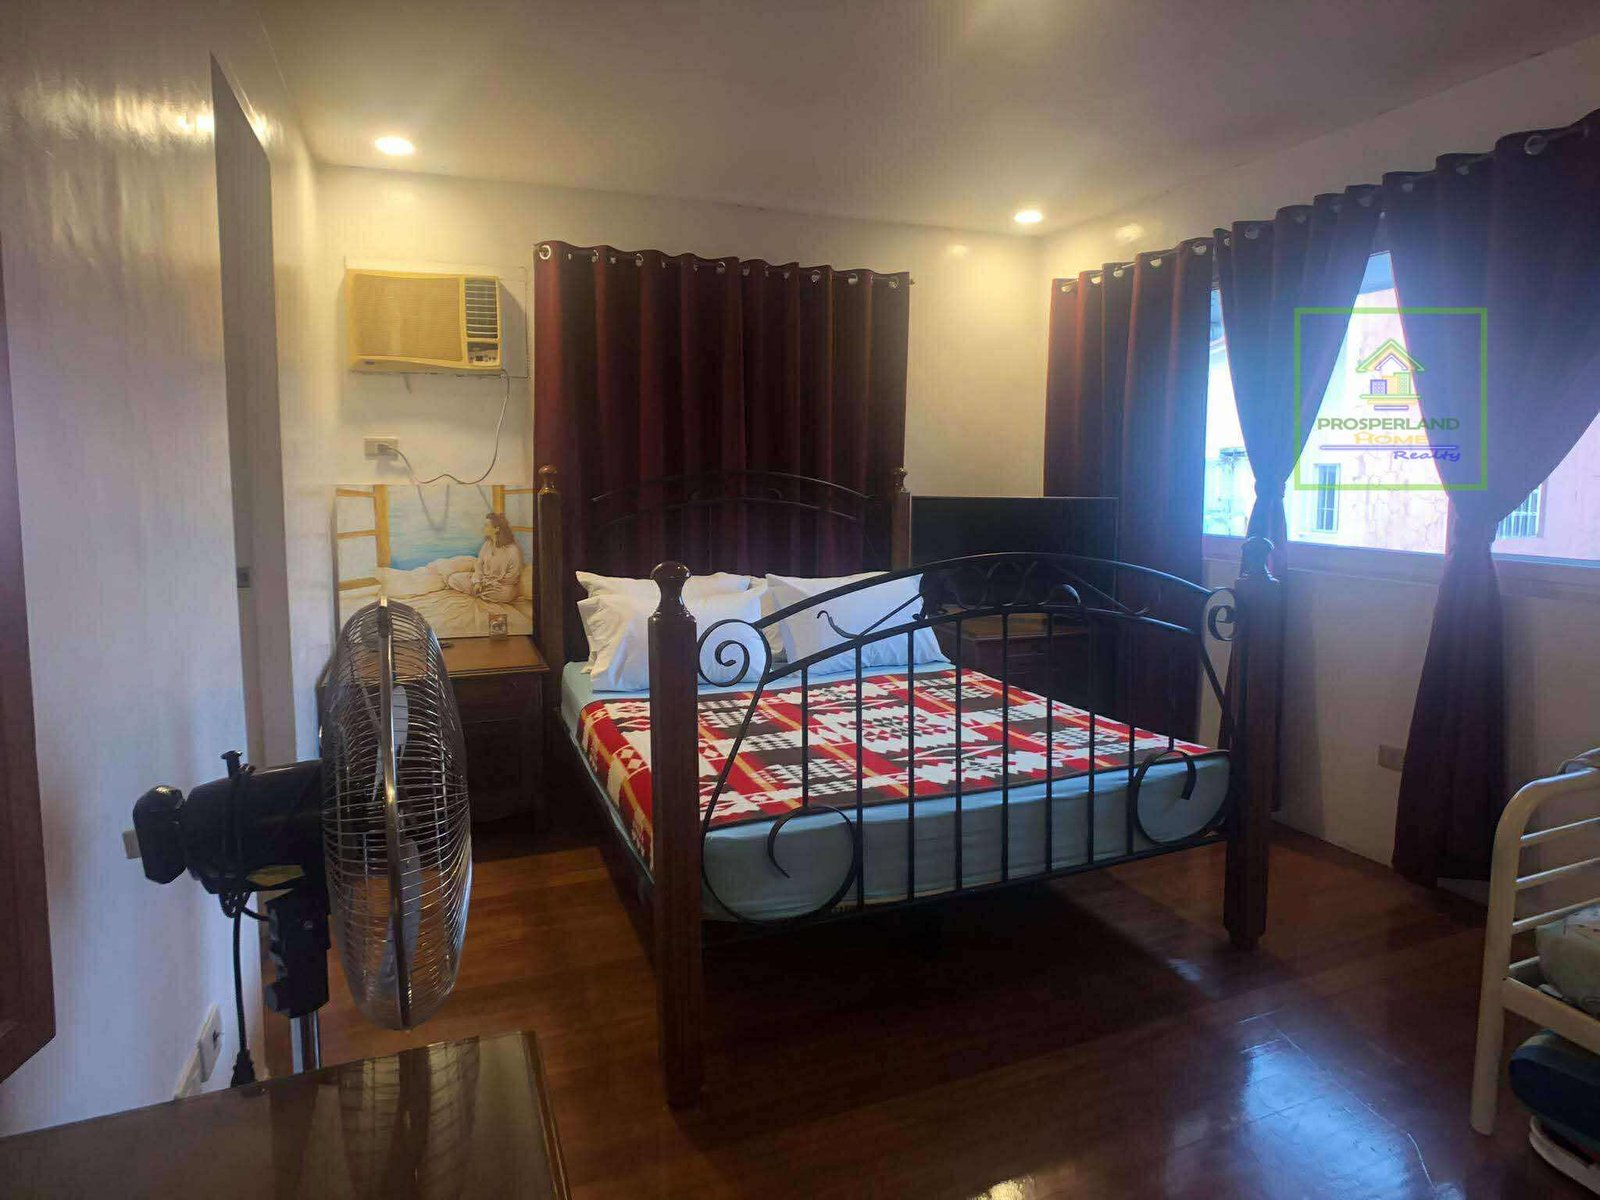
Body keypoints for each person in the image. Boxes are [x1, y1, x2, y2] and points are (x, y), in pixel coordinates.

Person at [446, 512, 523, 603]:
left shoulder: (512, 549)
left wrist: (490, 583)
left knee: (507, 594)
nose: (483, 528)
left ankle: (478, 592)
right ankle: (479, 592)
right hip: (483, 581)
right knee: (453, 579)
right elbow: (479, 565)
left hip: (501, 586)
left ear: (496, 529)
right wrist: (478, 581)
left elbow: (513, 576)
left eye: (486, 525)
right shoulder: (487, 544)